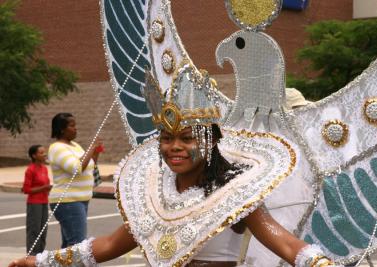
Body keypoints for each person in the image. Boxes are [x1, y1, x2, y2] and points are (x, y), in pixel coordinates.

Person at [8, 68, 340, 267]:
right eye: (167, 139)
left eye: (187, 139)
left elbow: (284, 243)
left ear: (208, 143)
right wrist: (40, 260)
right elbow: (108, 246)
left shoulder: (234, 190)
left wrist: (319, 263)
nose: (175, 147)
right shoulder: (155, 194)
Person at [46, 113, 102, 248]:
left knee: (69, 246)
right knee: (78, 245)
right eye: (72, 125)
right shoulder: (57, 148)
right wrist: (91, 148)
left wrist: (95, 153)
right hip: (68, 201)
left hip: (79, 200)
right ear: (62, 129)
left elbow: (89, 166)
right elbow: (76, 168)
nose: (76, 128)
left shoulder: (75, 146)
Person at [22, 145, 52, 255]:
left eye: (44, 152)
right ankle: (31, 255)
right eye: (41, 153)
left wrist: (48, 190)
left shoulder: (44, 168)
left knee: (43, 230)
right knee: (34, 231)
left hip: (44, 202)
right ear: (34, 156)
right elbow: (26, 189)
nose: (44, 154)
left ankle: (40, 255)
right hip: (34, 203)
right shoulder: (30, 170)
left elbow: (46, 184)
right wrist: (43, 188)